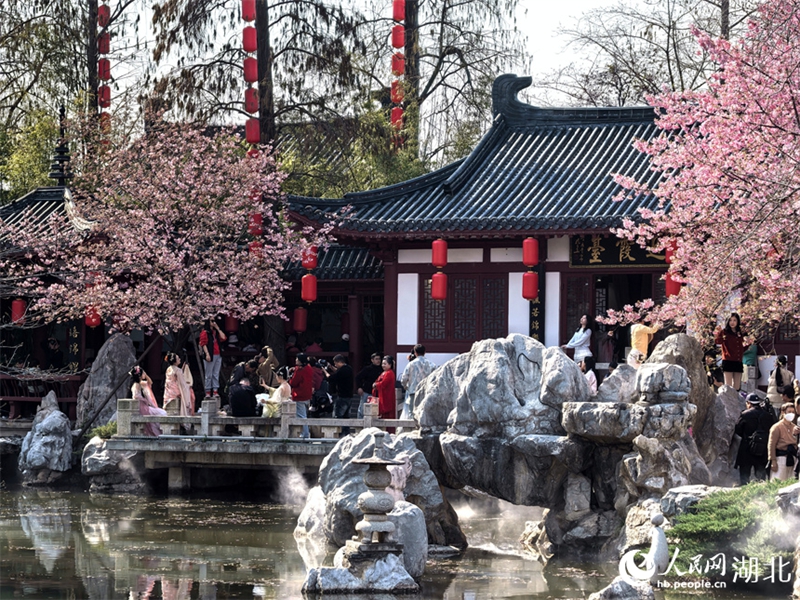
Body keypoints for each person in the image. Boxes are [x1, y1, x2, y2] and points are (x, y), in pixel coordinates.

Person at [733, 394, 772, 484]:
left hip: (747, 448)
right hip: (763, 449)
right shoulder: (767, 415)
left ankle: (744, 492)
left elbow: (738, 430)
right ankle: (761, 494)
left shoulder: (745, 414)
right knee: (761, 477)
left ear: (749, 403)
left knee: (744, 476)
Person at [400, 344, 436, 420]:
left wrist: (406, 387)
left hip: (413, 390)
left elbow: (404, 378)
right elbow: (435, 378)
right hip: (426, 391)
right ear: (425, 352)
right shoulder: (431, 364)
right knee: (425, 412)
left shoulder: (410, 364)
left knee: (412, 413)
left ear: (415, 352)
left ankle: (412, 430)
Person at [130, 366, 166, 437]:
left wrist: (145, 375)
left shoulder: (140, 383)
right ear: (140, 375)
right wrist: (145, 400)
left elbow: (150, 382)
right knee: (162, 413)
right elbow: (136, 396)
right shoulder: (136, 385)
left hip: (143, 405)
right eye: (143, 373)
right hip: (141, 407)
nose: (144, 374)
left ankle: (158, 432)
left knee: (160, 413)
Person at [768, 402, 799, 481]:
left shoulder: (795, 427)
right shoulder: (776, 427)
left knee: (791, 481)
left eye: (793, 412)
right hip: (781, 458)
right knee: (778, 481)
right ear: (783, 412)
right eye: (789, 412)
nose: (791, 414)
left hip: (792, 457)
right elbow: (771, 445)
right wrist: (773, 460)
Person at [714, 312, 746, 391]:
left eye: (734, 320)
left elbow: (745, 345)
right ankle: (728, 402)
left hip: (738, 360)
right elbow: (718, 341)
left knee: (737, 386)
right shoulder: (725, 332)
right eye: (730, 320)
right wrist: (718, 333)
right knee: (728, 386)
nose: (732, 322)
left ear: (738, 321)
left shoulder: (741, 333)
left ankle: (736, 402)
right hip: (728, 360)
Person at [199, 319, 227, 398]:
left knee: (216, 373)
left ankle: (215, 391)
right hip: (210, 354)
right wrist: (207, 354)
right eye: (212, 321)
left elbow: (223, 337)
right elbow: (203, 343)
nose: (213, 322)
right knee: (209, 374)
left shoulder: (215, 332)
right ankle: (208, 391)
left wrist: (218, 328)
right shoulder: (205, 332)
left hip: (218, 354)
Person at [326, 355, 354, 433]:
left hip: (342, 396)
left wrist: (324, 371)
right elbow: (339, 372)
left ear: (339, 362)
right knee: (346, 416)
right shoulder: (348, 368)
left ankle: (338, 433)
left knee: (338, 415)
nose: (335, 365)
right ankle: (346, 433)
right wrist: (331, 368)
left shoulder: (342, 371)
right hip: (349, 396)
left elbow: (331, 378)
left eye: (335, 363)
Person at [289, 353, 313, 438]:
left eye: (297, 359)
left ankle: (305, 434)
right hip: (307, 394)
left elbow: (293, 382)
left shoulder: (299, 370)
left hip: (299, 395)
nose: (295, 360)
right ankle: (305, 433)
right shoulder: (308, 367)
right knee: (304, 414)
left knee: (302, 416)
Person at [163, 353, 193, 417]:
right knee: (191, 393)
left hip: (168, 390)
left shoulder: (168, 369)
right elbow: (182, 383)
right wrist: (188, 386)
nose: (180, 359)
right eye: (178, 358)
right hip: (175, 391)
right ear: (175, 361)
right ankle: (189, 413)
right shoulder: (178, 370)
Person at [356, 353, 384, 419]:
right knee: (362, 410)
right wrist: (359, 387)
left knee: (375, 411)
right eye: (376, 359)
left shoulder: (382, 370)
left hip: (377, 393)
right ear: (372, 360)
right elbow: (358, 377)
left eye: (379, 359)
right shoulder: (367, 369)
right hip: (367, 392)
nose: (378, 361)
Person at [373, 355, 397, 430]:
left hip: (387, 396)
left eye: (385, 364)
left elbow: (383, 384)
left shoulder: (389, 373)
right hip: (383, 396)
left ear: (390, 365)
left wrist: (376, 385)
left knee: (388, 415)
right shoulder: (384, 373)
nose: (383, 365)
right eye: (382, 363)